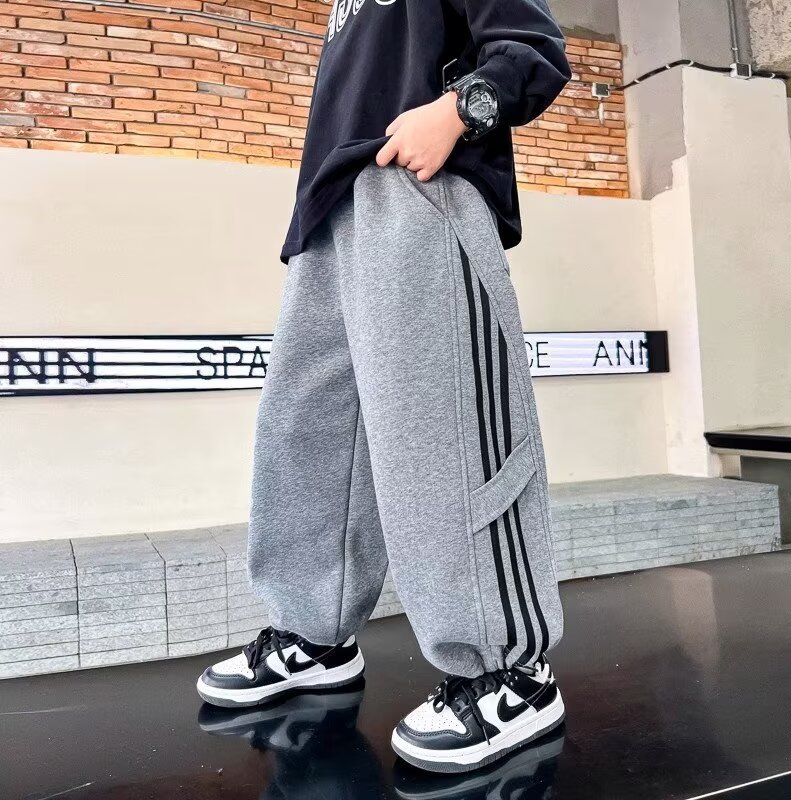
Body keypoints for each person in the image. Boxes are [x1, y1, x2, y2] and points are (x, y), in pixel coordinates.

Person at [197, 0, 572, 774]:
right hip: (328, 211)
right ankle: (314, 636)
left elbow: (535, 48)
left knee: (443, 436)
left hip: (418, 190)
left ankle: (510, 672)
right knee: (303, 436)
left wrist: (457, 111)